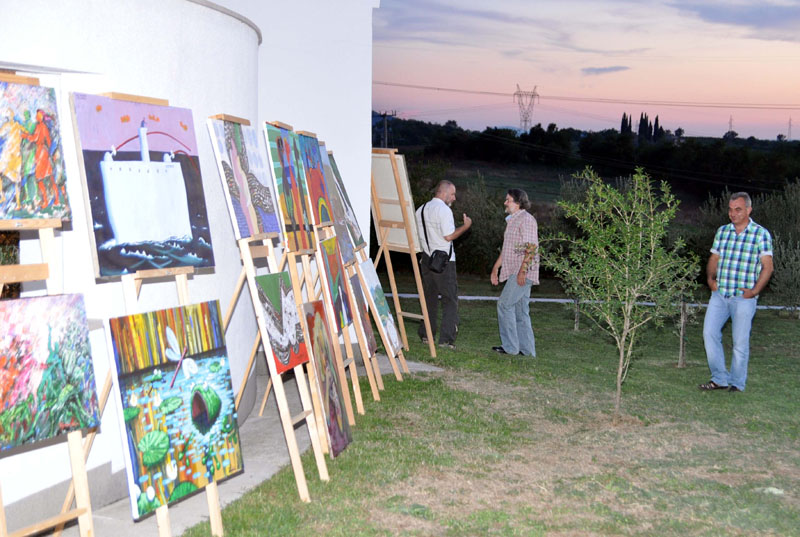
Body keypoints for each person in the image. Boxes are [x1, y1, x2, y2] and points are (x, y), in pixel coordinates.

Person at [699, 192, 773, 393]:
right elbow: (714, 258)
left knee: (740, 342)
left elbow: (768, 267)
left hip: (743, 298)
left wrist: (754, 291)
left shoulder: (760, 234)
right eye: (731, 210)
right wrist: (710, 279)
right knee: (709, 333)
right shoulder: (722, 231)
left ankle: (737, 383)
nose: (733, 214)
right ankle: (719, 379)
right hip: (720, 295)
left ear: (749, 210)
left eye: (738, 209)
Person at [415, 180, 472, 349]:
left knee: (429, 298)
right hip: (444, 262)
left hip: (426, 259)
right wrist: (466, 226)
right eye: (452, 194)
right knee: (450, 299)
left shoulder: (421, 209)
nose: (454, 198)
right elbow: (449, 236)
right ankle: (446, 339)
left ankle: (426, 335)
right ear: (444, 192)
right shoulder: (444, 210)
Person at [490, 189, 539, 356]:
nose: (505, 203)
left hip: (522, 271)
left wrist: (522, 272)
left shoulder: (526, 220)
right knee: (520, 311)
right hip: (515, 271)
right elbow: (507, 250)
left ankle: (510, 347)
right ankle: (527, 351)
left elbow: (531, 247)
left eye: (508, 200)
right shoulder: (512, 221)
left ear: (518, 202)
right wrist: (496, 268)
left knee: (504, 305)